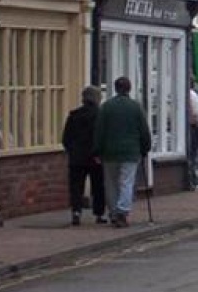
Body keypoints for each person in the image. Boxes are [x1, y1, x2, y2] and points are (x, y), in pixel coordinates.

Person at [94, 76, 151, 228]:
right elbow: (144, 131)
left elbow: (99, 131)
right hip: (131, 151)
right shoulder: (135, 107)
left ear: (116, 88)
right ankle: (122, 211)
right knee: (127, 182)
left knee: (111, 183)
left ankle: (113, 212)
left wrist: (97, 150)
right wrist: (145, 148)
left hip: (109, 151)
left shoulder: (106, 107)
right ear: (129, 89)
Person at [61, 86, 106, 226]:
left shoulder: (74, 115)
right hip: (95, 157)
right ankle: (99, 214)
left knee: (76, 187)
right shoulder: (101, 116)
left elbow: (66, 138)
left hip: (77, 157)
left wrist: (71, 150)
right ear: (98, 99)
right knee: (98, 186)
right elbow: (103, 137)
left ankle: (76, 212)